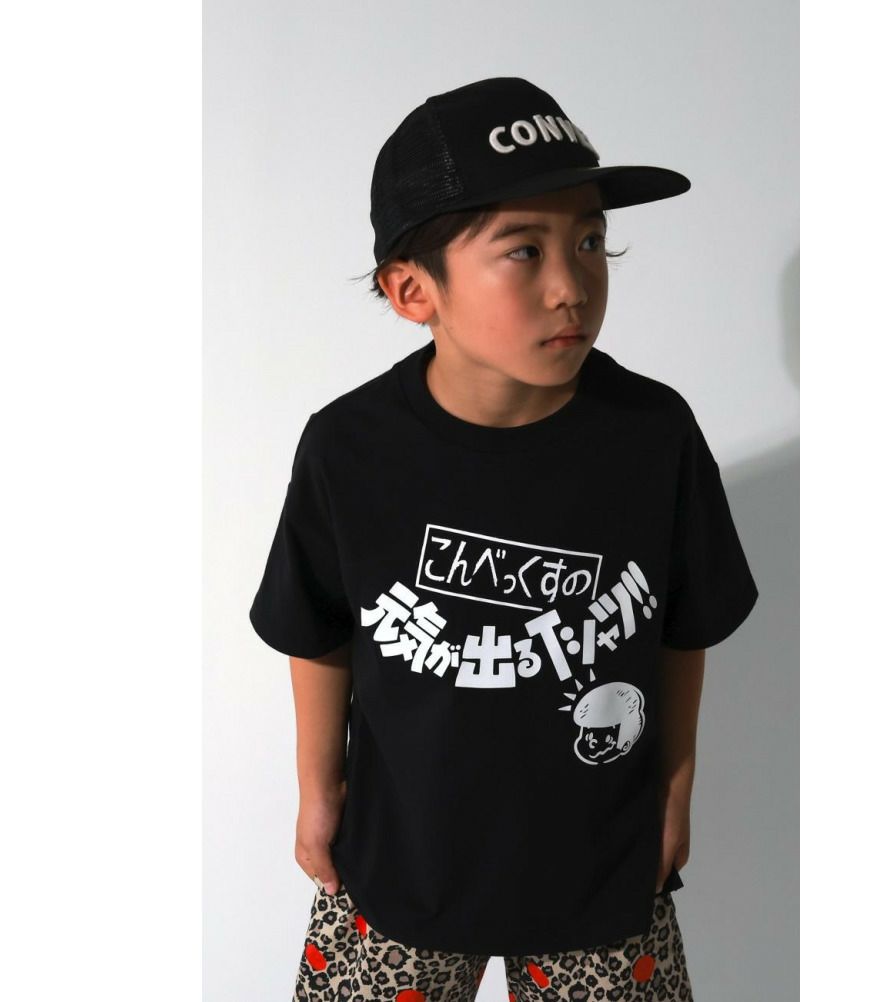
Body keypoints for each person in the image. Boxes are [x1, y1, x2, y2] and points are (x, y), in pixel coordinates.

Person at [249, 76, 758, 1002]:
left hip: (601, 872)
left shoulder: (652, 436)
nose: (573, 286)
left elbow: (686, 623)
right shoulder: (350, 449)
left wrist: (674, 792)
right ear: (413, 290)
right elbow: (316, 628)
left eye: (591, 241)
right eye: (524, 250)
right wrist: (317, 793)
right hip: (398, 865)